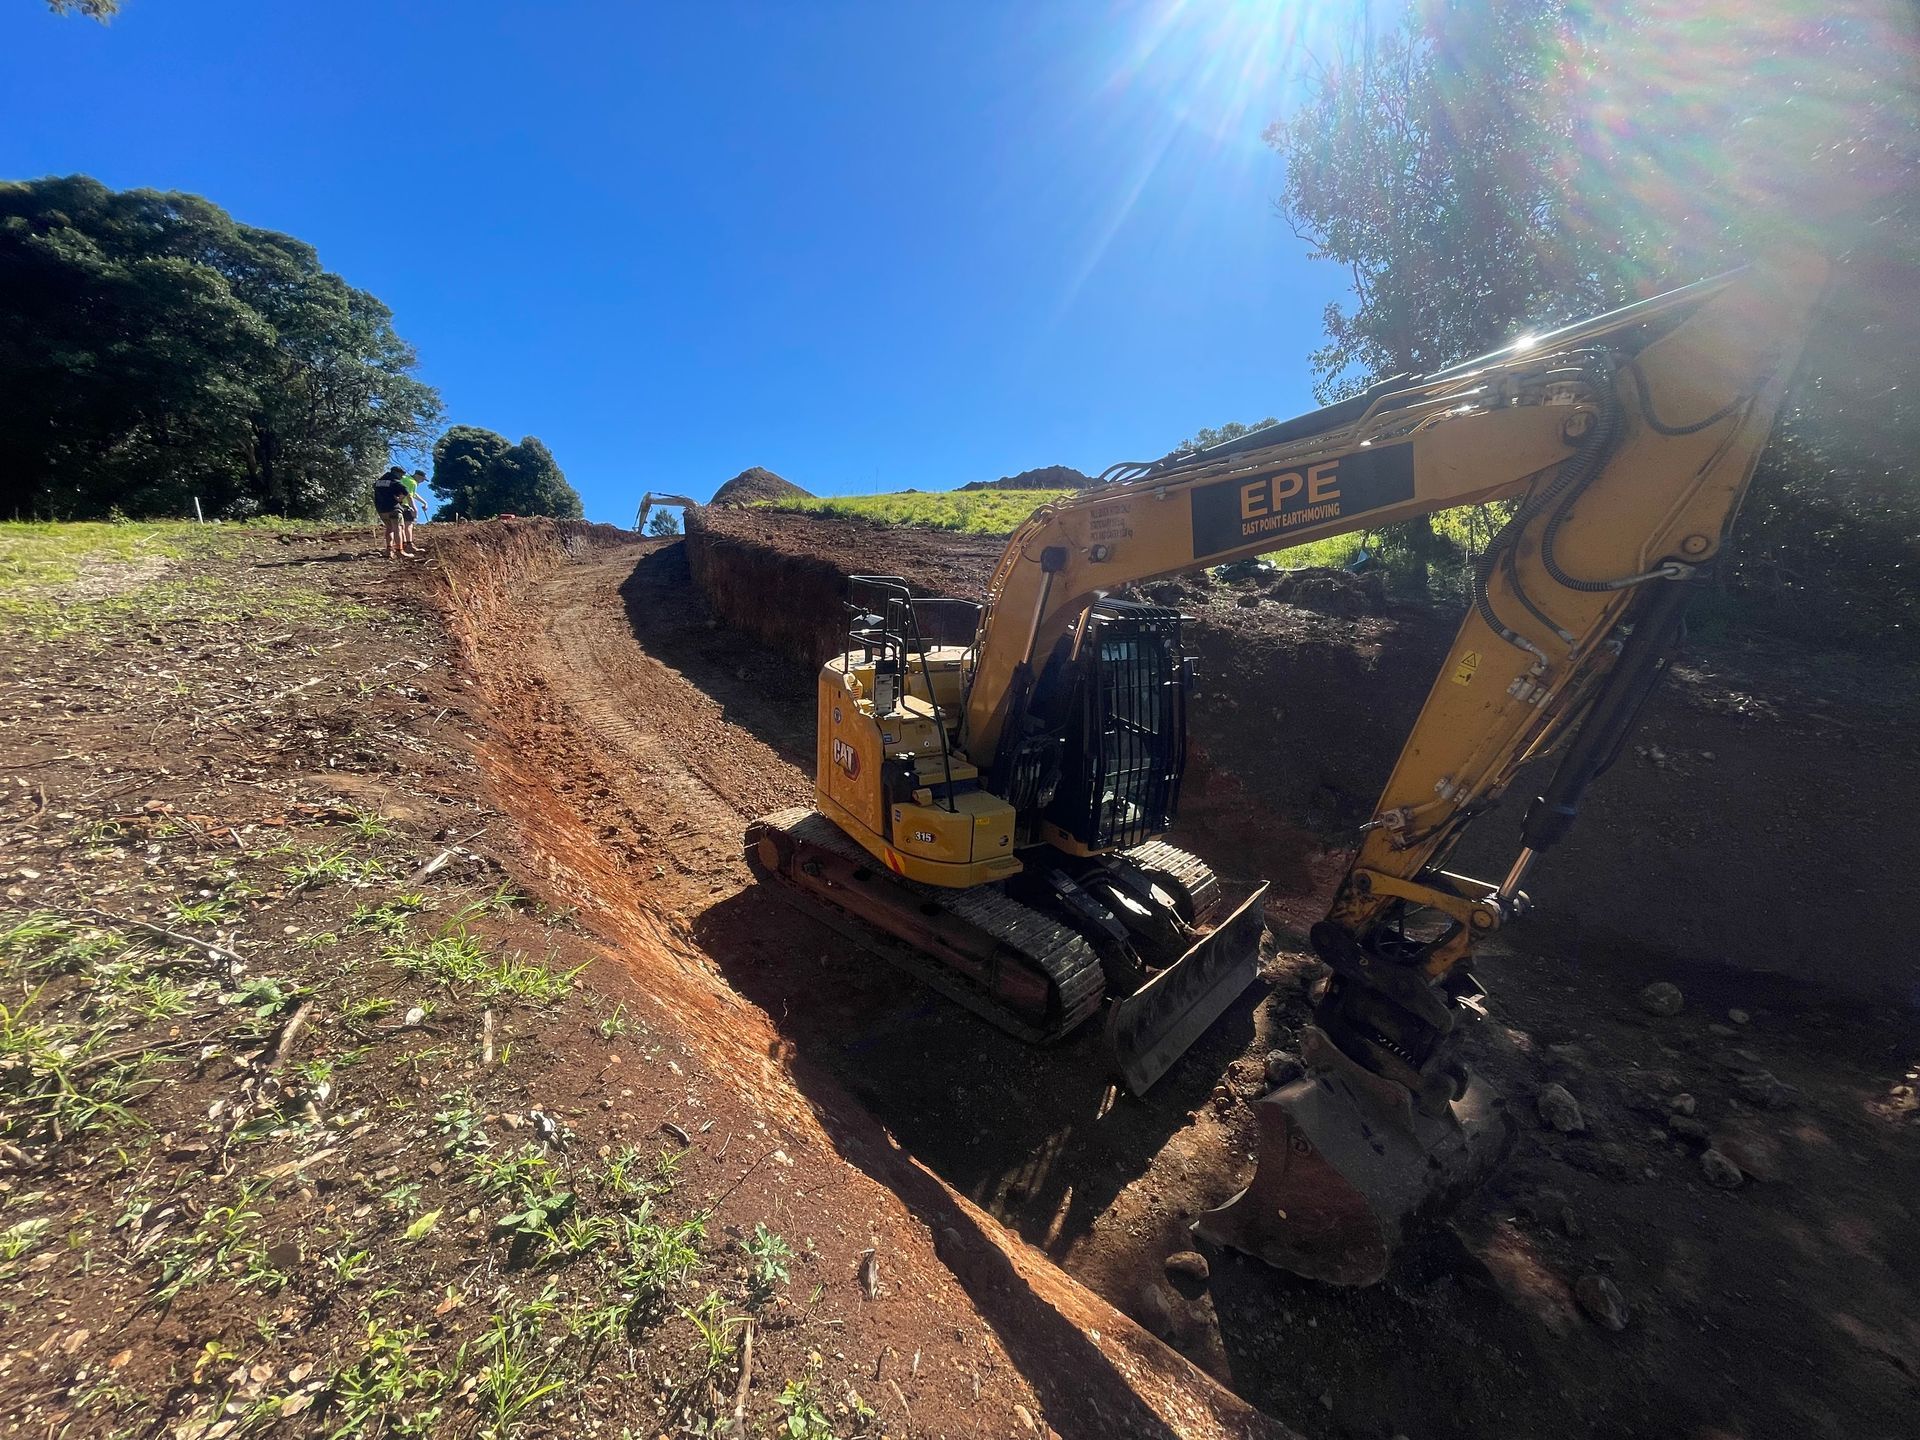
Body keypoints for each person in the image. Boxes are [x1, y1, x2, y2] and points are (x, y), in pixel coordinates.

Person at [373, 466, 409, 559]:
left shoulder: (378, 482)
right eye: (401, 475)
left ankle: (389, 550)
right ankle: (400, 551)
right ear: (396, 473)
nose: (401, 477)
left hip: (381, 509)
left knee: (389, 528)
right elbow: (405, 491)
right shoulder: (395, 481)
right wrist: (399, 499)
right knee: (398, 528)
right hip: (394, 509)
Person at [399, 469, 430, 555]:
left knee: (400, 526)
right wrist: (414, 508)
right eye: (422, 479)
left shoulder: (404, 478)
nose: (422, 481)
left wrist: (424, 502)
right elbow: (409, 496)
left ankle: (403, 545)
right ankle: (409, 545)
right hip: (405, 506)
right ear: (418, 476)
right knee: (408, 525)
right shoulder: (413, 483)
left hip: (395, 505)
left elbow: (413, 494)